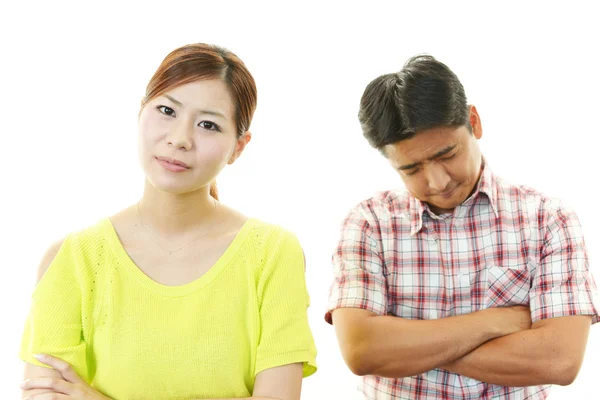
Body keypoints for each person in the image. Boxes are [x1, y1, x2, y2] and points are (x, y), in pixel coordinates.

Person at [20, 43, 317, 400]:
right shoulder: (71, 258)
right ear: (140, 112)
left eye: (208, 124)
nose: (179, 139)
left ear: (239, 147)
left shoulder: (272, 253)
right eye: (166, 110)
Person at [326, 55, 599, 399]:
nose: (437, 181)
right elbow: (362, 351)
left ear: (474, 122)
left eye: (447, 154)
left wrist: (409, 347)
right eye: (411, 169)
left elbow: (559, 361)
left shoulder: (547, 219)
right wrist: (493, 323)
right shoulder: (368, 223)